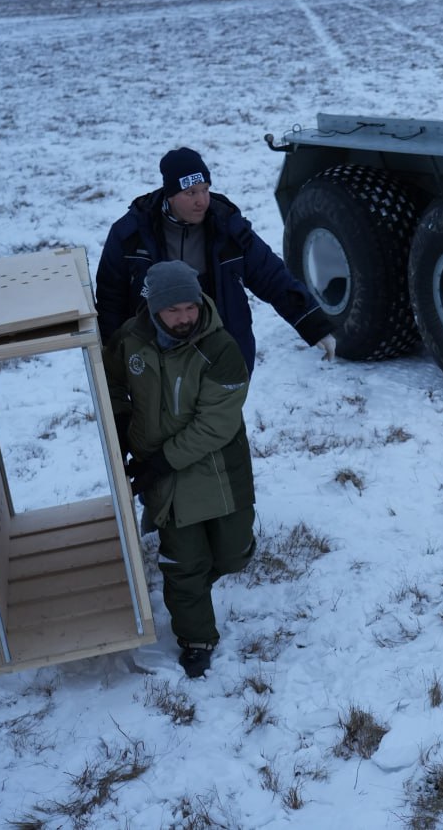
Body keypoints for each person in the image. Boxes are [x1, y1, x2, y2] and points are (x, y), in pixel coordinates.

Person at [103, 260, 257, 678]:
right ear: (153, 308)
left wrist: (161, 461)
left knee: (234, 553)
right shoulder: (131, 340)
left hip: (217, 469)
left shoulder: (221, 348)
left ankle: (197, 587)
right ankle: (197, 639)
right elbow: (112, 380)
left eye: (190, 307)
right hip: (165, 477)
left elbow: (217, 423)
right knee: (183, 563)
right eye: (173, 310)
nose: (185, 317)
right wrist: (119, 421)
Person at [96, 145, 336, 373]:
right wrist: (113, 349)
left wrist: (313, 325)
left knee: (220, 415)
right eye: (190, 193)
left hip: (222, 348)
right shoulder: (132, 234)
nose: (202, 200)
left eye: (205, 189)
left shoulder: (228, 228)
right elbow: (111, 296)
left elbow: (272, 276)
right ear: (170, 195)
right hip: (154, 354)